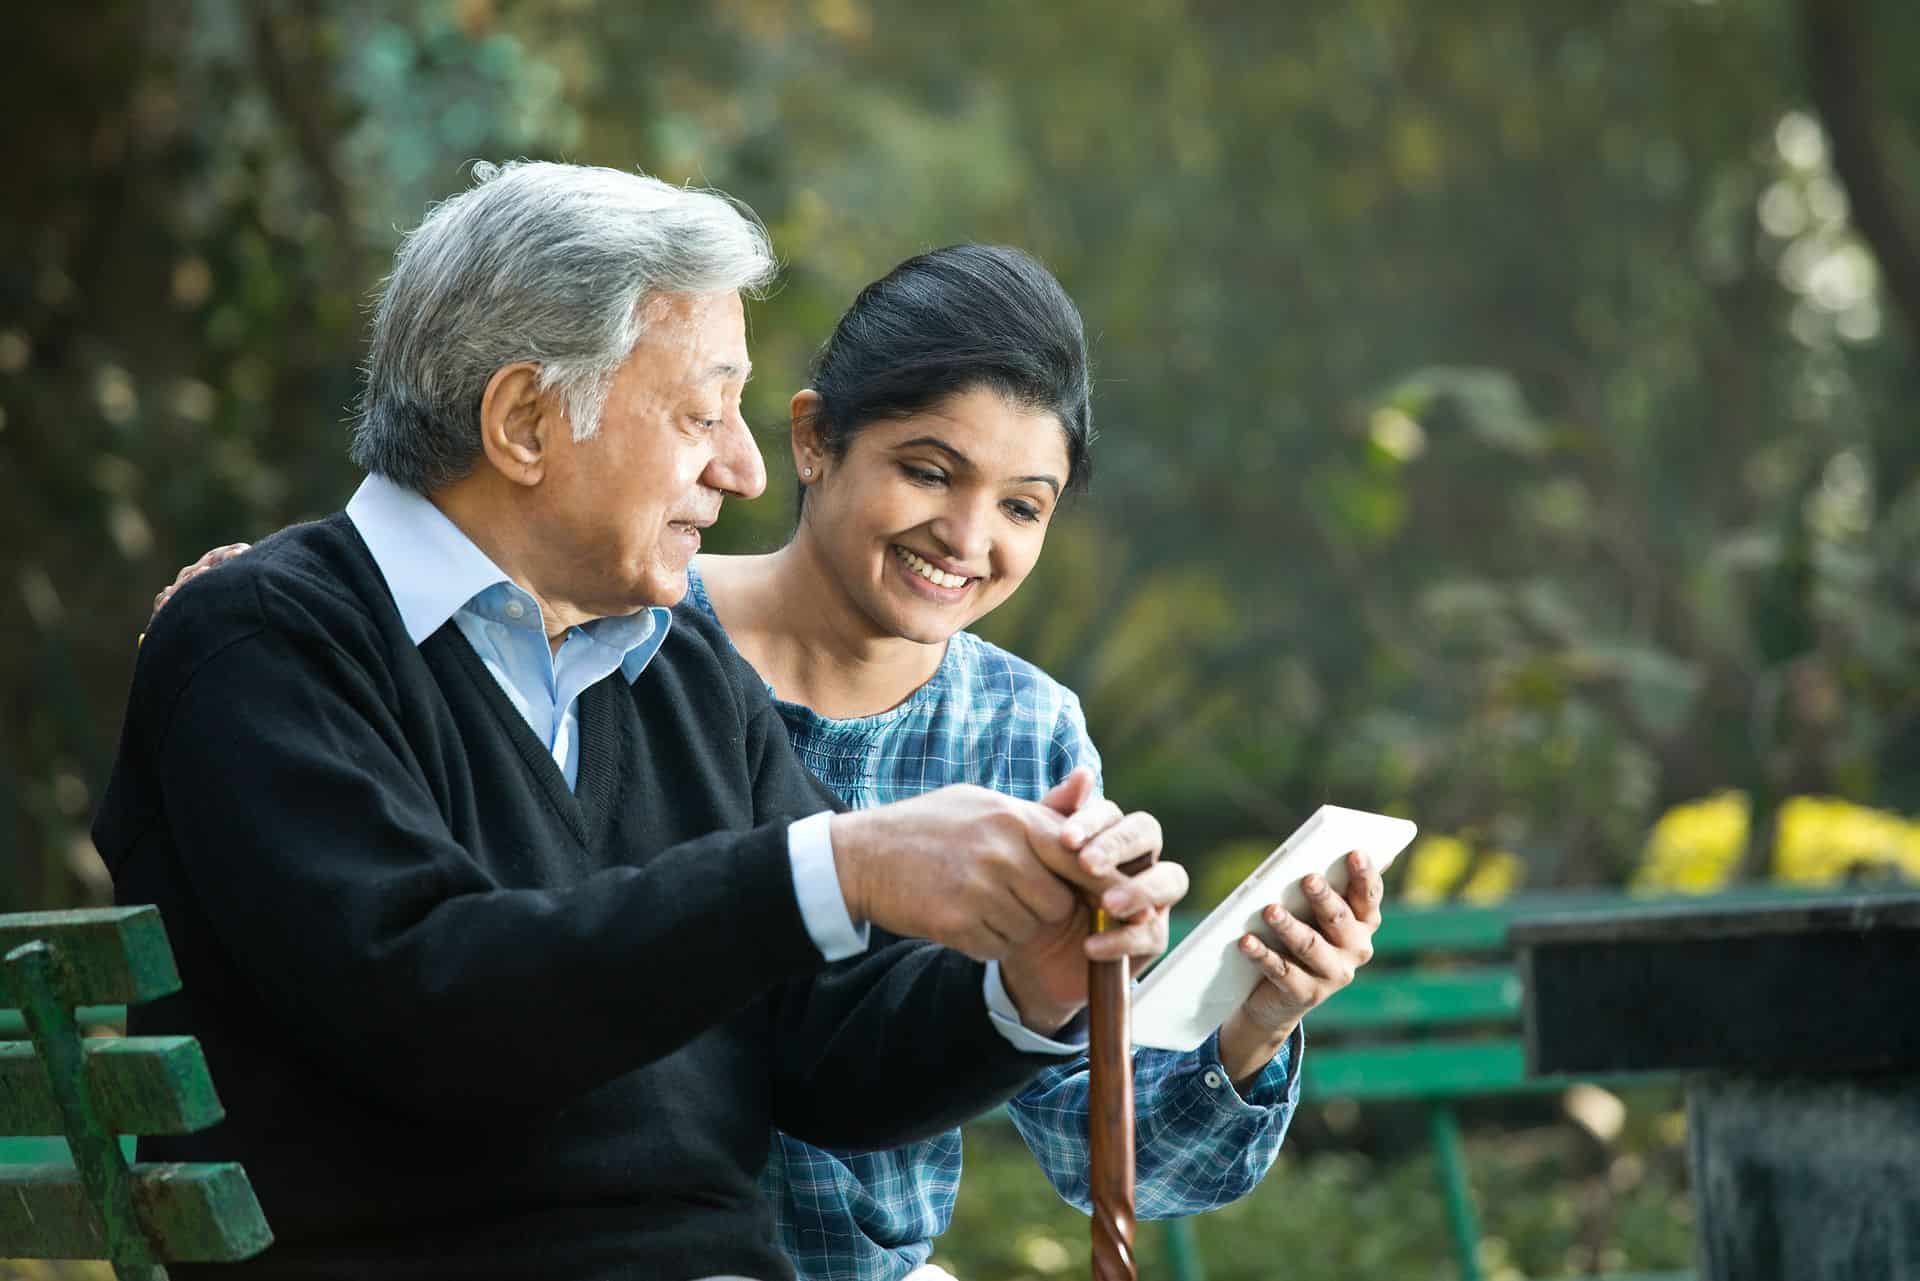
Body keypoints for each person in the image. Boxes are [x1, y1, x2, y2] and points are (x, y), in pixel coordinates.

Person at [153, 244, 1385, 1281]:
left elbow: (871, 1063)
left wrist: (1061, 989)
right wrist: (836, 869)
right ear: (820, 444)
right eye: (701, 416)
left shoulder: (718, 675)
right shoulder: (560, 632)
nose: (732, 468)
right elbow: (444, 980)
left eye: (1025, 505)